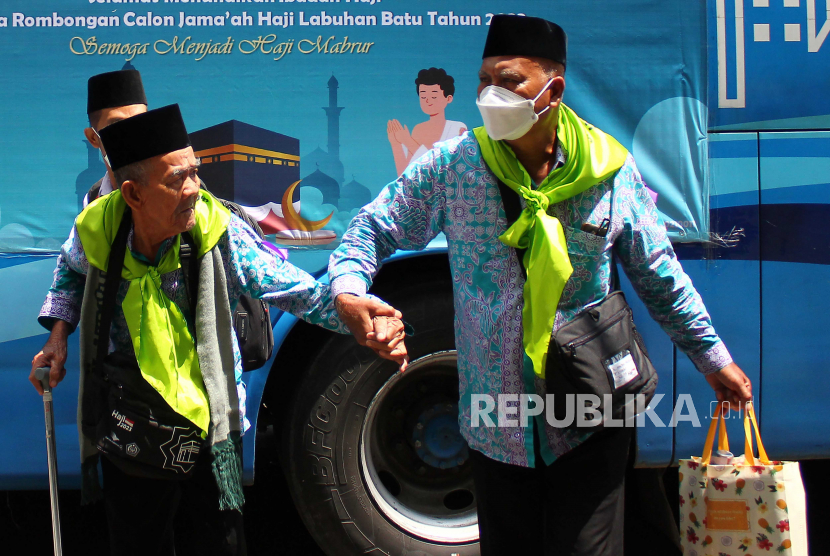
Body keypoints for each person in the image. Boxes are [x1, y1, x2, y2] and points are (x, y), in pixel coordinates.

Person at [329, 14, 753, 556]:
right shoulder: (453, 167)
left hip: (590, 413)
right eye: (484, 80)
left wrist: (713, 359)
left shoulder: (610, 172)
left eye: (509, 81)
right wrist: (348, 289)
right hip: (494, 421)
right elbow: (371, 228)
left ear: (553, 89)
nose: (490, 94)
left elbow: (660, 276)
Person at [30, 104, 407, 556]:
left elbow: (300, 293)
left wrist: (357, 316)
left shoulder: (218, 232)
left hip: (209, 432)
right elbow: (70, 274)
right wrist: (57, 337)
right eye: (177, 179)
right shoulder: (96, 229)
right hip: (130, 425)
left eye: (195, 171)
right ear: (132, 194)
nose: (194, 189)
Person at [81, 69, 149, 207]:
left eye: (139, 121)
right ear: (93, 138)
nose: (130, 133)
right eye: (117, 125)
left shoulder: (180, 188)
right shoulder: (94, 198)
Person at [387, 67, 467, 175]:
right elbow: (405, 174)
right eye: (423, 96)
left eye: (434, 96)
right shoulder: (418, 129)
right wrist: (396, 144)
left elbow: (440, 168)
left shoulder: (457, 128)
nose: (428, 101)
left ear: (448, 98)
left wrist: (407, 141)